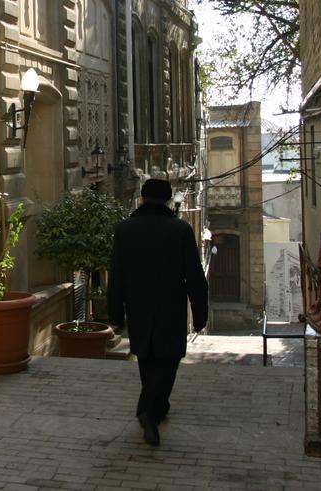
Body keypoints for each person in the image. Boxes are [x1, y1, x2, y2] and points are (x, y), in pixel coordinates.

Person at [107, 178, 209, 447]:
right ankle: (150, 412)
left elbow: (116, 275)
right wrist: (200, 314)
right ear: (168, 199)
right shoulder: (180, 230)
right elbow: (195, 276)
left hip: (138, 307)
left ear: (141, 198)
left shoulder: (124, 229)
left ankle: (155, 409)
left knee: (147, 360)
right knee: (169, 360)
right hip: (170, 307)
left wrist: (114, 314)